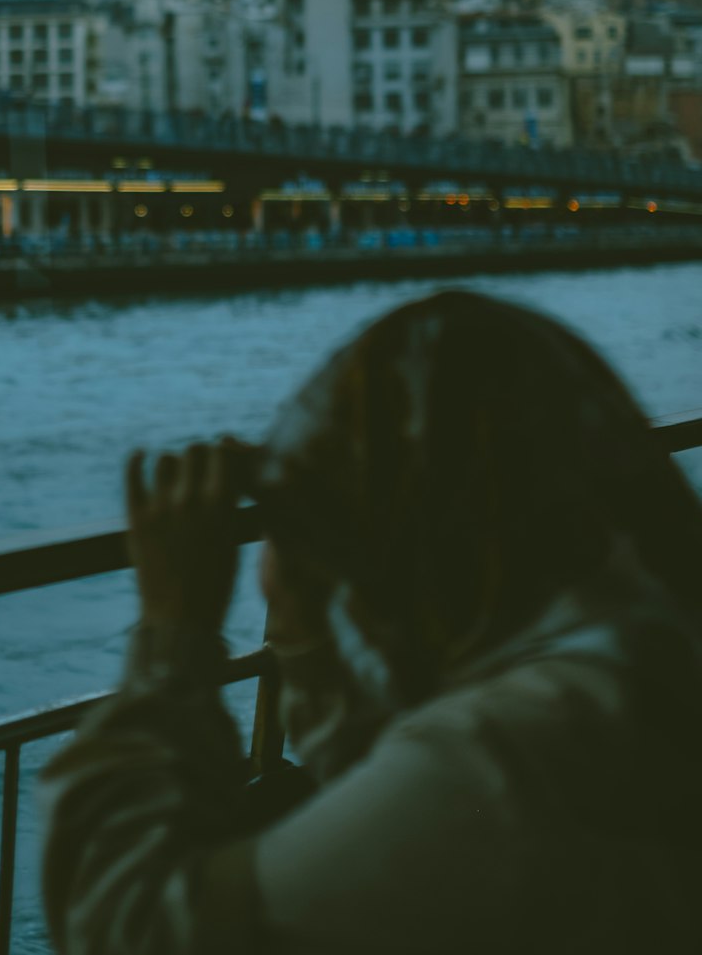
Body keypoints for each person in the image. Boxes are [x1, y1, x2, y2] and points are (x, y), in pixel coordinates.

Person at [41, 289, 702, 953]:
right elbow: (396, 792)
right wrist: (307, 637)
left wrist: (172, 630)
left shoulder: (510, 747)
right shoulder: (631, 645)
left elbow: (129, 929)